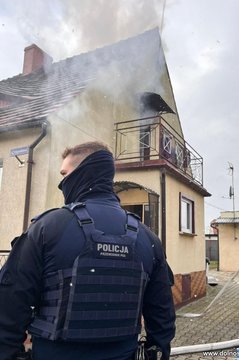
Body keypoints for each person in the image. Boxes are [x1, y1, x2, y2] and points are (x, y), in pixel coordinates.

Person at [0, 141, 176, 360]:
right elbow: (162, 316)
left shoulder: (46, 228)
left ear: (82, 172)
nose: (61, 182)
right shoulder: (148, 238)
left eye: (65, 174)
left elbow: (9, 305)